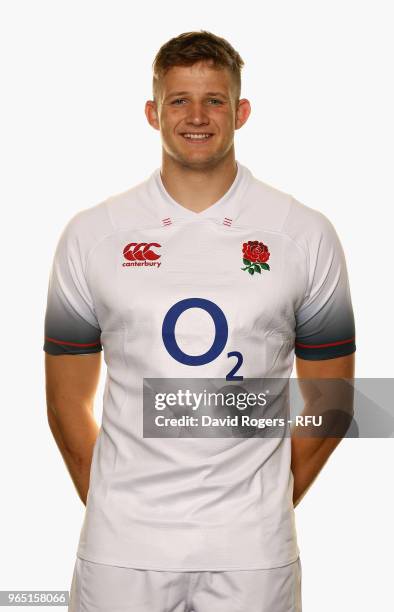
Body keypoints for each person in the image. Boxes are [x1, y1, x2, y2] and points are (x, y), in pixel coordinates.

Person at [44, 30, 356, 612]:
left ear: (240, 111)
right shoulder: (92, 235)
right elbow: (65, 404)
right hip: (122, 552)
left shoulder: (304, 233)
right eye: (179, 100)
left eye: (214, 99)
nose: (196, 116)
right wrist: (121, 514)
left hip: (253, 556)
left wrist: (264, 506)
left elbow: (333, 401)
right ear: (151, 112)